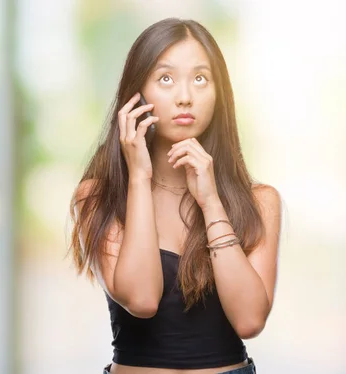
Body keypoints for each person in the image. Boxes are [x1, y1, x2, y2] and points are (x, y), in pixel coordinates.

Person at [68, 18, 282, 374]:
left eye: (200, 79)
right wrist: (139, 177)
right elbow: (142, 299)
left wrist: (211, 201)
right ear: (136, 95)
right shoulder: (96, 197)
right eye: (165, 79)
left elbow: (250, 321)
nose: (185, 96)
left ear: (219, 94)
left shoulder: (261, 202)